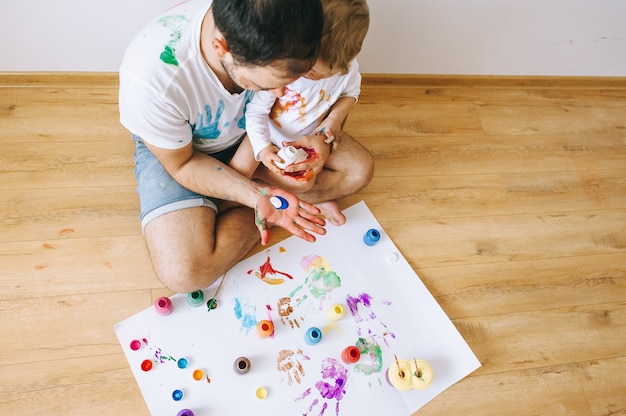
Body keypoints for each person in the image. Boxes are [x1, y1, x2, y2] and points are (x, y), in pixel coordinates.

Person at [118, 0, 374, 293]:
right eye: (267, 85)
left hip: (269, 131)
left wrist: (320, 140)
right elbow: (183, 164)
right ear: (222, 48)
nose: (282, 93)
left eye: (295, 77)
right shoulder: (152, 82)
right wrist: (256, 195)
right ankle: (273, 208)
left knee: (358, 171)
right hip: (186, 154)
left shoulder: (292, 18)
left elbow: (322, 93)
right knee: (185, 273)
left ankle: (259, 208)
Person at [229, 0, 370, 199]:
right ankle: (255, 180)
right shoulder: (286, 70)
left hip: (304, 138)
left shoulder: (345, 69)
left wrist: (335, 119)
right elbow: (256, 112)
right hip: (265, 132)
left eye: (328, 74)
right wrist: (264, 150)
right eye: (310, 71)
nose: (316, 78)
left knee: (304, 184)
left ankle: (269, 186)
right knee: (239, 172)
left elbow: (351, 93)